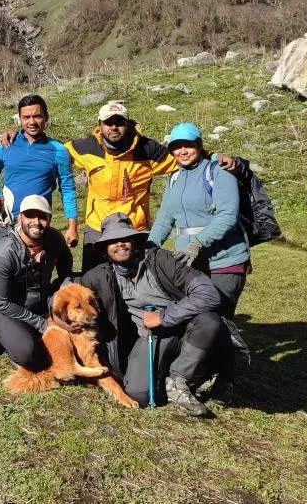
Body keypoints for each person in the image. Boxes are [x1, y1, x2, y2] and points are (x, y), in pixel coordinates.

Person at [81, 212, 233, 417]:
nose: (120, 244)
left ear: (135, 241)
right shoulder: (99, 276)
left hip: (187, 330)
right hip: (150, 337)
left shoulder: (162, 260)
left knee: (209, 321)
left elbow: (209, 294)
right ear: (105, 249)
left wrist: (163, 316)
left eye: (125, 238)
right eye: (112, 241)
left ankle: (179, 380)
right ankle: (179, 374)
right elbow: (72, 294)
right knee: (139, 395)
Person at [66, 101, 236, 273]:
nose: (114, 127)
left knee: (138, 282)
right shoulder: (86, 146)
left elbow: (183, 157)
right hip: (98, 227)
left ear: (128, 124)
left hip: (134, 229)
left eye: (119, 122)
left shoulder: (148, 149)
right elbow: (57, 153)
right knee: (94, 281)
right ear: (100, 125)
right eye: (108, 122)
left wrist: (213, 156)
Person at [0, 95, 77, 358]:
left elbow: (67, 186)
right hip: (6, 222)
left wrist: (72, 224)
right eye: (26, 117)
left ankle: (31, 323)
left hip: (38, 224)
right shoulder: (6, 145)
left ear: (46, 116)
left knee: (36, 276)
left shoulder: (57, 150)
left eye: (37, 116)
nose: (32, 121)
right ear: (19, 119)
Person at [147, 122, 251, 318]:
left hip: (223, 262)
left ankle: (233, 350)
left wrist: (197, 243)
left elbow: (227, 216)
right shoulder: (174, 178)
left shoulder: (218, 172)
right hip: (189, 264)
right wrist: (149, 248)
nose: (182, 151)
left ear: (199, 145)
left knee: (218, 321)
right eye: (177, 147)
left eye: (188, 145)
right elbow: (164, 219)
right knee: (195, 322)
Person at [0, 195, 74, 372]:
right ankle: (12, 341)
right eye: (30, 216)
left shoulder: (55, 238)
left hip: (44, 304)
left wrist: (65, 292)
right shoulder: (1, 255)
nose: (36, 222)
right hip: (9, 312)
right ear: (20, 218)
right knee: (28, 355)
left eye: (42, 217)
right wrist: (43, 324)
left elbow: (65, 267)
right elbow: (1, 303)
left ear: (49, 219)